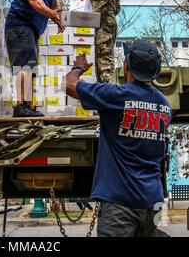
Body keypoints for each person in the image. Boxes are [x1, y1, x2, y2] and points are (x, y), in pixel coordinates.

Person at [64, 39, 172, 237]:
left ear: (126, 66)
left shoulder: (116, 96)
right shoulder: (164, 106)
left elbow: (70, 85)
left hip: (121, 204)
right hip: (153, 202)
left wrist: (79, 67)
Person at [5, 0, 65, 117]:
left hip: (32, 30)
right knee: (24, 66)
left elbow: (54, 6)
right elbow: (34, 0)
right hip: (19, 26)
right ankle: (20, 106)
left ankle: (29, 107)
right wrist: (51, 13)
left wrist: (59, 17)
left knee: (31, 69)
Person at [80, 0, 120, 83]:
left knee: (105, 60)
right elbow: (116, 6)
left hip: (106, 26)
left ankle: (108, 90)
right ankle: (103, 88)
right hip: (102, 24)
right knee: (100, 59)